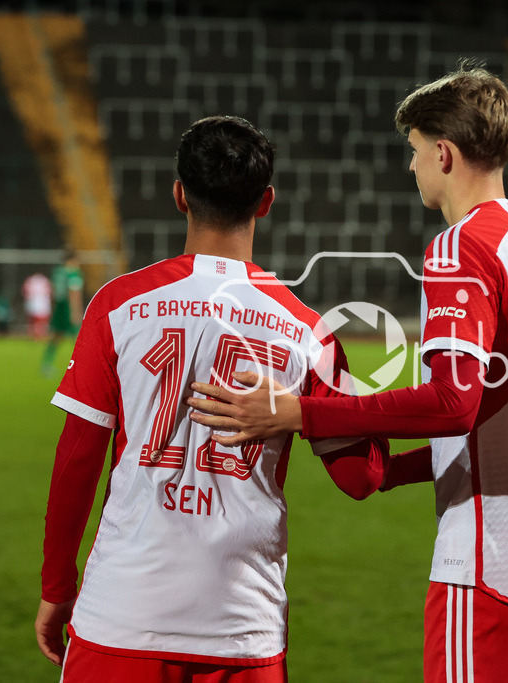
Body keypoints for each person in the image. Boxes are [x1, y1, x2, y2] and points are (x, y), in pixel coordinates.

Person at [187, 66, 508, 682]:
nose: (411, 168)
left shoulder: (463, 247)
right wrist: (402, 469)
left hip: (500, 567)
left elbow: (453, 402)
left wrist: (301, 412)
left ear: (444, 153)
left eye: (413, 153)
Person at [35, 116, 388, 681]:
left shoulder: (118, 304)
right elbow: (361, 478)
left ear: (179, 195)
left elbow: (77, 457)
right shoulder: (309, 331)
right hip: (242, 626)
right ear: (266, 202)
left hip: (122, 618)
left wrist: (57, 586)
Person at [41, 249, 84, 375]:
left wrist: (53, 309)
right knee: (79, 340)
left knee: (55, 337)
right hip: (68, 309)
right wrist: (76, 313)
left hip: (58, 308)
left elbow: (52, 293)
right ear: (73, 260)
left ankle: (46, 365)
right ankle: (82, 368)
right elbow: (74, 294)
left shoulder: (58, 272)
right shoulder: (74, 274)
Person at [22, 271, 52, 339]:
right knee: (40, 321)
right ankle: (39, 334)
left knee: (34, 321)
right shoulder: (45, 280)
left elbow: (25, 292)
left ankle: (35, 334)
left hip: (34, 301)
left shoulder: (30, 280)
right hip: (41, 301)